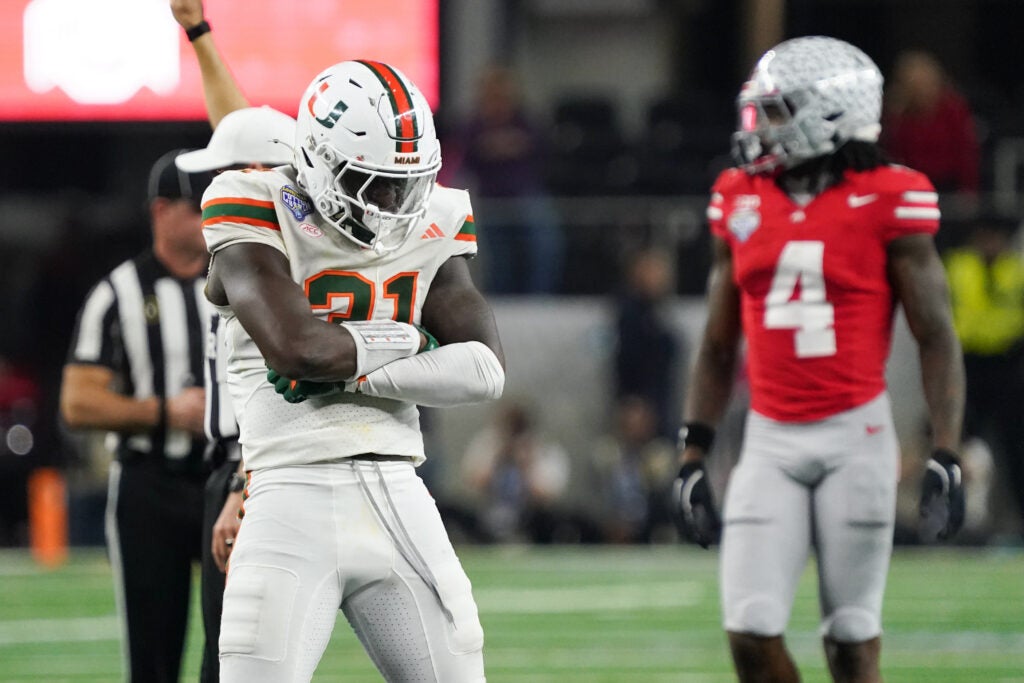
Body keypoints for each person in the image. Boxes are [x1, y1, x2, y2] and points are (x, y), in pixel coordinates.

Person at [670, 36, 966, 683]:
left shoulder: (892, 195)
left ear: (831, 115)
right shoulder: (738, 194)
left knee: (852, 641)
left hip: (854, 434)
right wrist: (694, 449)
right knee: (749, 631)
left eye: (779, 111)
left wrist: (947, 447)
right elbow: (719, 343)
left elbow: (937, 334)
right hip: (770, 439)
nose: (761, 128)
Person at [201, 59, 505, 681]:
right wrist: (416, 342)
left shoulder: (437, 214)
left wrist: (362, 364)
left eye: (405, 182)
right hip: (288, 491)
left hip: (401, 490)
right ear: (315, 160)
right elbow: (297, 351)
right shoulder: (252, 201)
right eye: (370, 181)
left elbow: (483, 367)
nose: (394, 202)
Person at [169, 4, 297, 679]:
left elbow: (278, 380)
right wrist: (198, 33)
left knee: (238, 662)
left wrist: (246, 485)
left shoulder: (267, 262)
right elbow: (243, 132)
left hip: (259, 471)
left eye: (228, 171)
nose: (212, 188)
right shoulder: (280, 229)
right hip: (250, 470)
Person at [60, 149, 212, 682]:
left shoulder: (241, 281)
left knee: (239, 646)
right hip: (151, 483)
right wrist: (166, 412)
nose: (209, 219)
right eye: (197, 208)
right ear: (160, 212)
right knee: (153, 653)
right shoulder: (118, 294)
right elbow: (77, 402)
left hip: (229, 483)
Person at [447, 65, 564, 294]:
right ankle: (503, 302)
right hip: (492, 202)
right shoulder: (473, 126)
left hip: (526, 197)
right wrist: (499, 146)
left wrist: (500, 146)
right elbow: (466, 154)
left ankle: (540, 299)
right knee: (500, 261)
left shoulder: (526, 121)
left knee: (545, 247)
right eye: (493, 95)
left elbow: (541, 148)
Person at [943, 211, 1024, 539]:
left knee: (1015, 447)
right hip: (966, 365)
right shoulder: (959, 266)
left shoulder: (1016, 271)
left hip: (1008, 365)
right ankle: (954, 523)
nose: (991, 243)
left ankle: (1018, 522)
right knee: (958, 445)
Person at [461, 401, 572, 543]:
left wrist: (526, 465)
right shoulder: (487, 443)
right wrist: (499, 458)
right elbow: (473, 483)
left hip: (529, 515)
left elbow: (545, 494)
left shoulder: (544, 448)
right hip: (490, 509)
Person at [881, 49, 981, 195]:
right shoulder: (898, 113)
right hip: (910, 186)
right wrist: (895, 116)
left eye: (924, 81)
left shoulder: (952, 109)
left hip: (949, 185)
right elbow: (893, 153)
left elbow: (965, 152)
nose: (921, 89)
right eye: (914, 84)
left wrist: (968, 190)